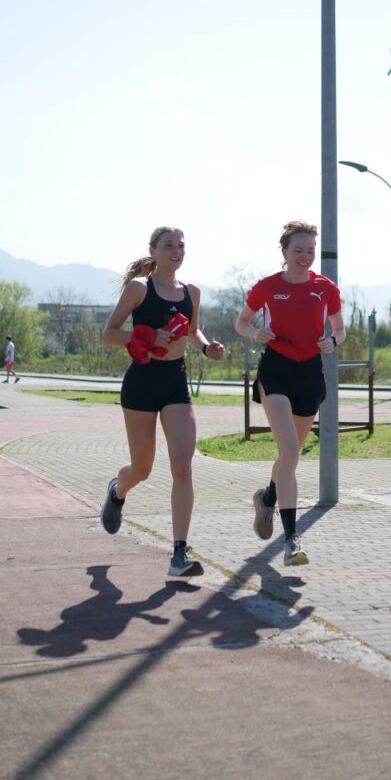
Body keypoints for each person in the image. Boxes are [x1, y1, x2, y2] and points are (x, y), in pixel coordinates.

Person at [100, 226, 225, 577]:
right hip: (141, 383)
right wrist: (146, 334)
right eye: (168, 245)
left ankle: (179, 553)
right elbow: (108, 334)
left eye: (181, 245)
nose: (176, 250)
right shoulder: (140, 288)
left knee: (182, 465)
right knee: (141, 469)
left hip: (175, 383)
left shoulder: (192, 291)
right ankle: (117, 492)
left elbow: (191, 331)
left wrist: (206, 347)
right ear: (153, 251)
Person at [235, 220, 346, 566]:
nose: (305, 256)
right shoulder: (266, 287)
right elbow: (241, 322)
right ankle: (291, 541)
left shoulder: (326, 288)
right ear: (284, 252)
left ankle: (267, 498)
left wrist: (331, 341)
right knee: (291, 450)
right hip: (276, 371)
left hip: (310, 372)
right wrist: (255, 334)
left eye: (310, 250)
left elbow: (340, 330)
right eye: (298, 250)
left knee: (289, 457)